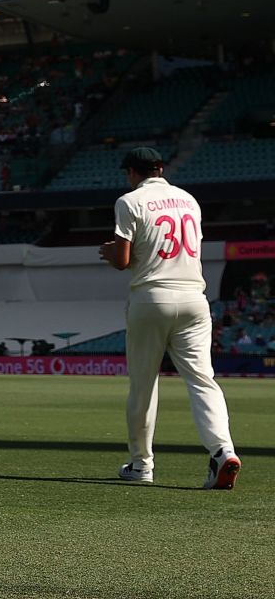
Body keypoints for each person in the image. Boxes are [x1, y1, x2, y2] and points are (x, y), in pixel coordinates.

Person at [98, 146, 241, 490]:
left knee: (143, 385)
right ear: (160, 168)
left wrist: (109, 252)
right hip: (194, 298)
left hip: (152, 297)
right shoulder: (189, 200)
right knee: (202, 380)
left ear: (132, 172)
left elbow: (124, 259)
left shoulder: (129, 201)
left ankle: (141, 464)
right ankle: (223, 450)